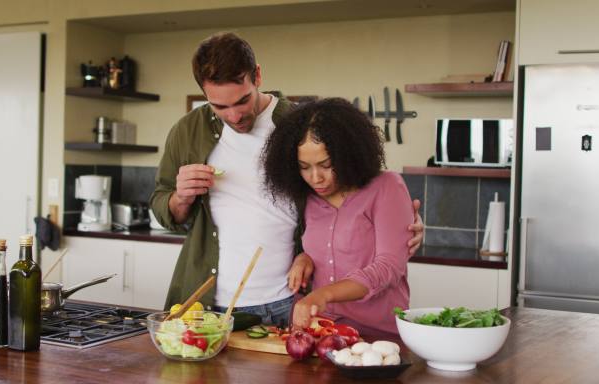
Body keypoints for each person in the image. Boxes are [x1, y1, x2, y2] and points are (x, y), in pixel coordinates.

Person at [149, 32, 423, 327]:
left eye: (242, 100)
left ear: (257, 75)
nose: (234, 115)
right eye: (219, 106)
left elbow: (357, 190)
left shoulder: (298, 124)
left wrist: (406, 225)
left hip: (290, 300)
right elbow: (164, 210)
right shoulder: (187, 131)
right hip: (208, 301)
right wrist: (181, 197)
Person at [261, 97, 413, 336]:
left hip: (376, 335)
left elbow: (389, 267)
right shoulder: (307, 198)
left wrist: (324, 294)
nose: (315, 178)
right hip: (320, 332)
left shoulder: (387, 187)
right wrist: (304, 258)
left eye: (326, 164)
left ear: (348, 154)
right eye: (304, 166)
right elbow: (327, 250)